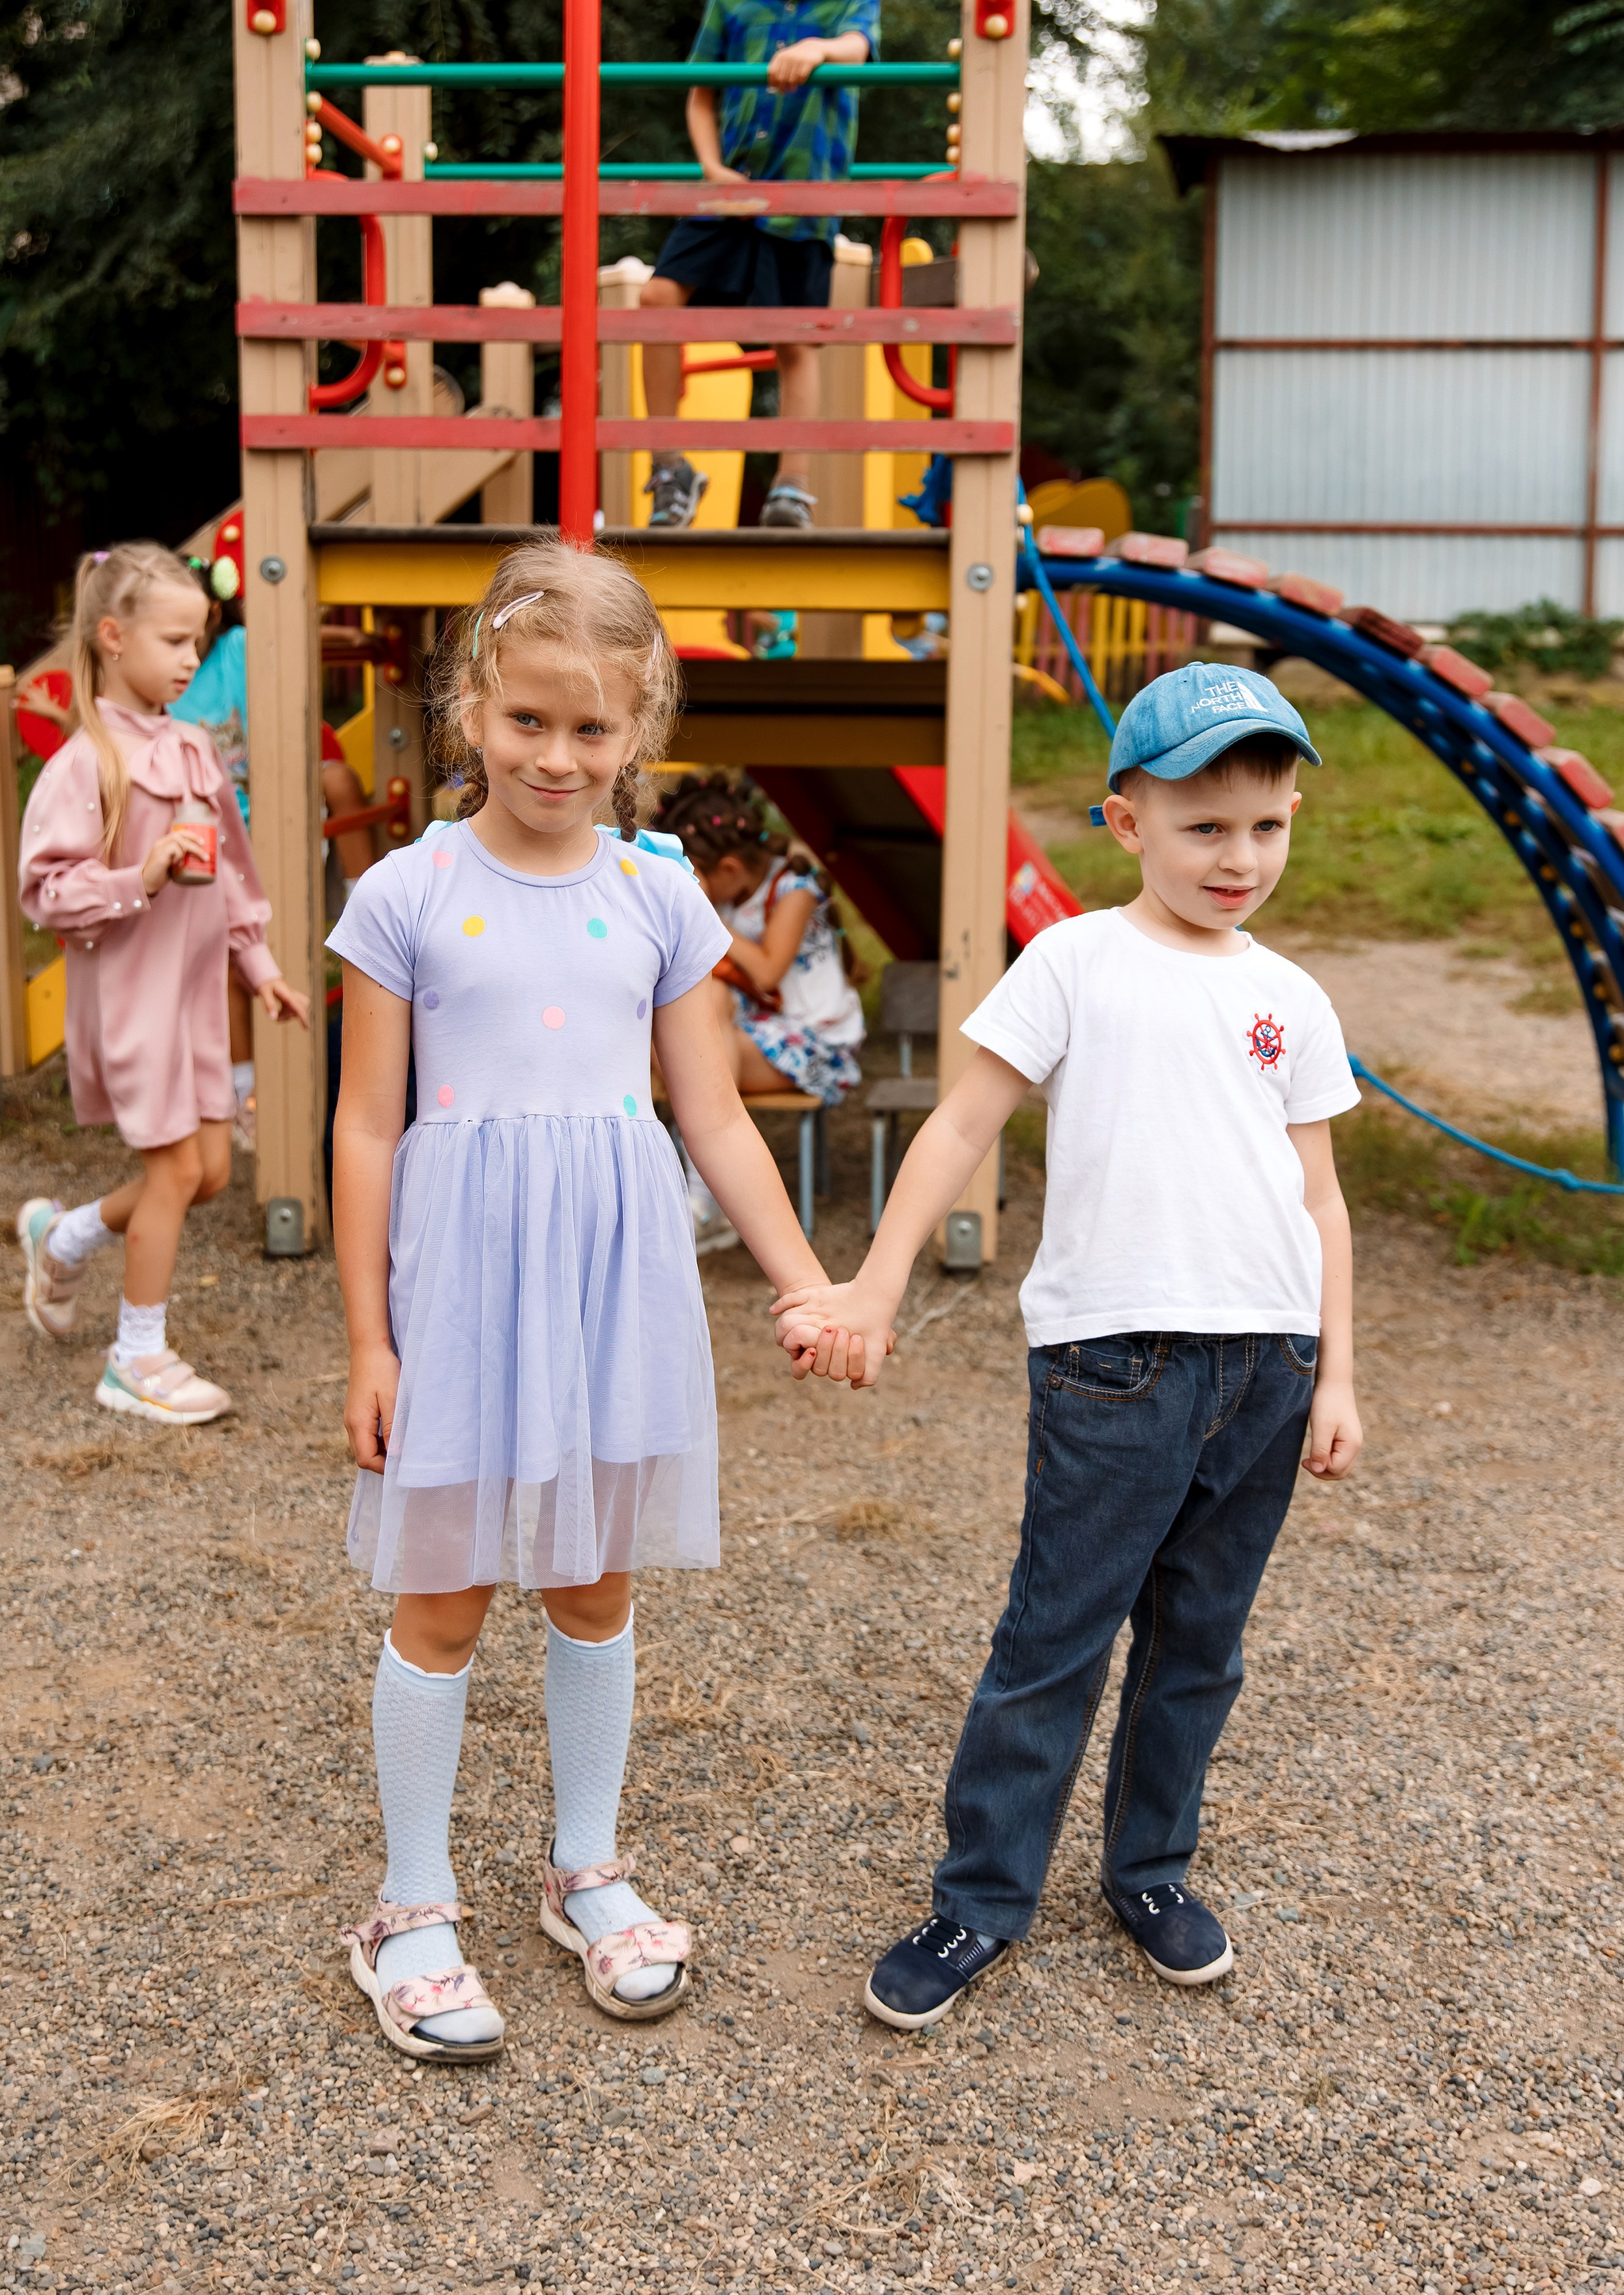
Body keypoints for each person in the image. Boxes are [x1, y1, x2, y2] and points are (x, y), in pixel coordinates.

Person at [774, 662, 1364, 2029]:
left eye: (1265, 825)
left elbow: (1317, 1198)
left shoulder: (1292, 996)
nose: (1239, 856)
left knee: (1199, 1646)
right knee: (1055, 1639)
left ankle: (1148, 1872)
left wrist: (1334, 1373)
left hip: (1266, 1368)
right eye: (1203, 825)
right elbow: (960, 1125)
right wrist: (871, 1283)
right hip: (1115, 1364)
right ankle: (979, 1898)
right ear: (1125, 822)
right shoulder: (1075, 961)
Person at [328, 536, 846, 2059]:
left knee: (593, 1585)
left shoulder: (662, 893)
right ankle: (408, 1903)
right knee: (443, 1594)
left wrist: (805, 1278)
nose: (556, 755)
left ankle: (584, 1866)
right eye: (528, 720)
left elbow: (714, 1115)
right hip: (467, 1293)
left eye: (591, 728)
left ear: (640, 731)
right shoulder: (402, 892)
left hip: (613, 1291)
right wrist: (368, 1336)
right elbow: (365, 1126)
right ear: (473, 703)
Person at [15, 543, 310, 1422]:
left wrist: (258, 966)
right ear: (113, 637)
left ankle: (60, 1236)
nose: (193, 660)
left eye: (198, 641)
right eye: (176, 642)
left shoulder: (193, 747)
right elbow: (47, 893)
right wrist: (137, 878)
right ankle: (134, 1357)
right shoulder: (86, 765)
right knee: (176, 1172)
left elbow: (234, 878)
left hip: (195, 1006)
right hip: (134, 1003)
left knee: (212, 1171)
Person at [640, 0, 879, 530]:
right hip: (731, 188)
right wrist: (710, 168)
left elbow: (860, 51)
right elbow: (700, 91)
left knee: (793, 339)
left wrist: (818, 48)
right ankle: (668, 466)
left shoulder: (850, 1)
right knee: (657, 298)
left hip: (803, 198)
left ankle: (791, 487)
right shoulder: (732, 1)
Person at [170, 611, 375, 1148]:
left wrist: (342, 635)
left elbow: (284, 629)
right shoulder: (164, 679)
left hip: (275, 807)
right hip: (215, 830)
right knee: (228, 962)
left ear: (213, 609)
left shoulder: (234, 647)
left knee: (339, 777)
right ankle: (246, 1094)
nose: (183, 639)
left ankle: (369, 912)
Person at [654, 777, 865, 1254]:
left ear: (728, 867)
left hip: (819, 1044)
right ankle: (700, 1192)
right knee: (678, 1039)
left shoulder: (796, 889)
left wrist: (710, 920)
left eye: (695, 880)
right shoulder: (729, 890)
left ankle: (705, 1196)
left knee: (683, 1061)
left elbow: (768, 971)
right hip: (763, 1033)